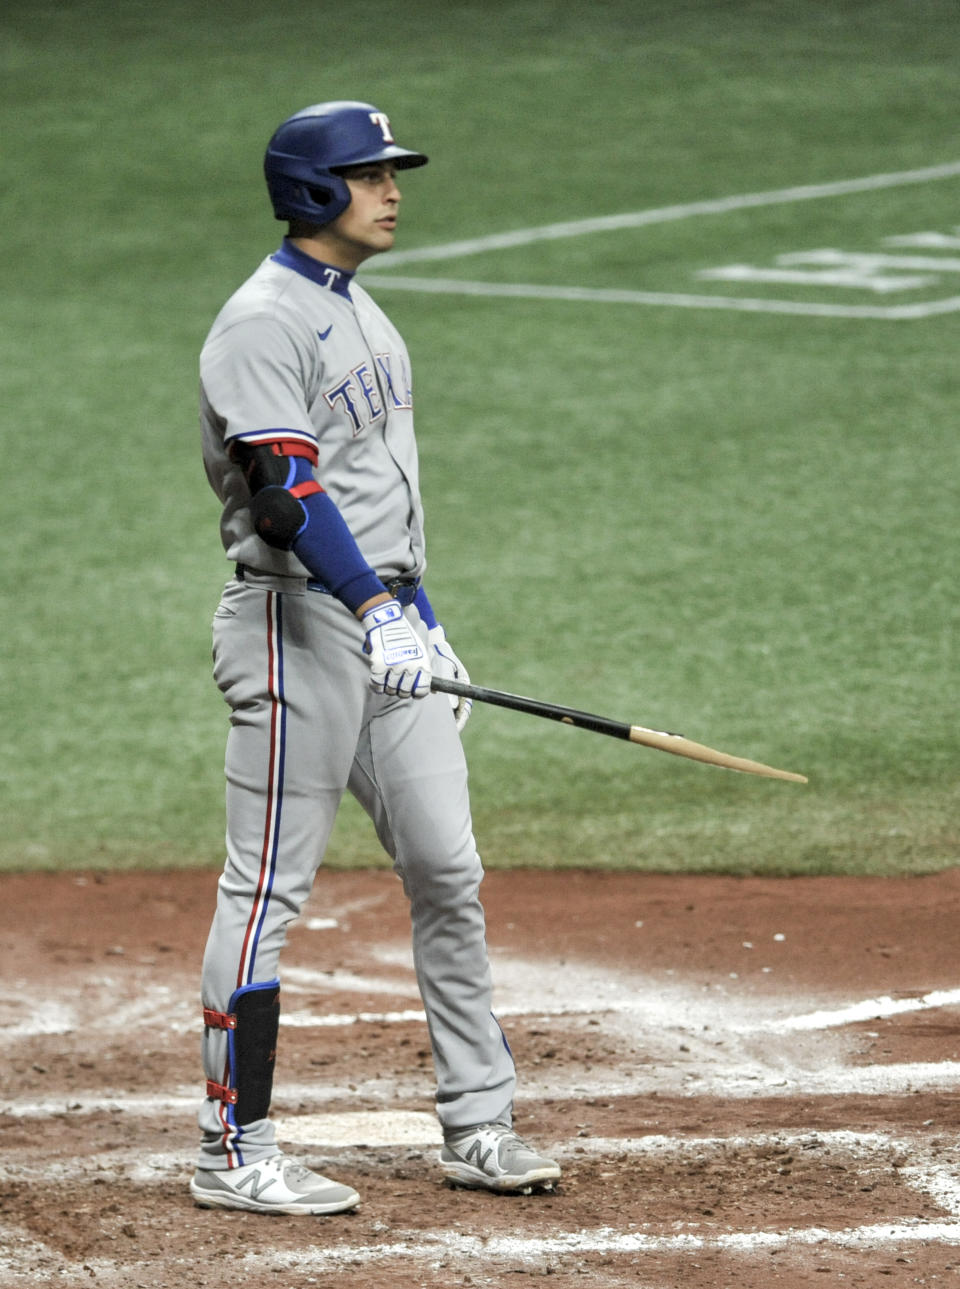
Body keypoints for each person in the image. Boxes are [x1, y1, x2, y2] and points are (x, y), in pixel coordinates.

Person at [189, 100, 561, 1215]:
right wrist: (371, 610)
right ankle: (232, 1147)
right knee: (265, 891)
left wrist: (419, 614)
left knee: (449, 869)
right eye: (369, 174)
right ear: (313, 191)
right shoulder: (259, 323)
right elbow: (288, 493)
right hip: (296, 625)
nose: (393, 189)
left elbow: (376, 498)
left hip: (388, 632)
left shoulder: (365, 316)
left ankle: (480, 1120)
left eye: (394, 171)